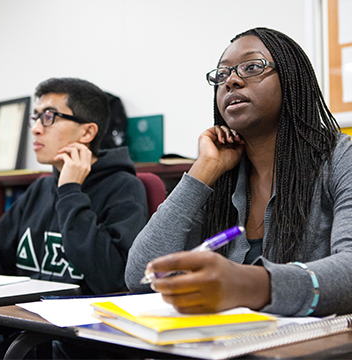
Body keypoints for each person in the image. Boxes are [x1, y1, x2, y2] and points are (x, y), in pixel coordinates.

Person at [125, 27, 352, 318]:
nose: (231, 80)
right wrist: (202, 172)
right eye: (222, 75)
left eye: (252, 67)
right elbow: (141, 276)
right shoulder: (222, 174)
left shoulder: (340, 157)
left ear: (292, 79)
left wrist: (249, 284)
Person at [0, 78, 148, 358]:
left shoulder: (124, 188)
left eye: (49, 117)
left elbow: (111, 278)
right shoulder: (40, 187)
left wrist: (69, 191)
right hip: (26, 330)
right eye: (35, 117)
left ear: (88, 131)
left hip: (79, 342)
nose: (36, 128)